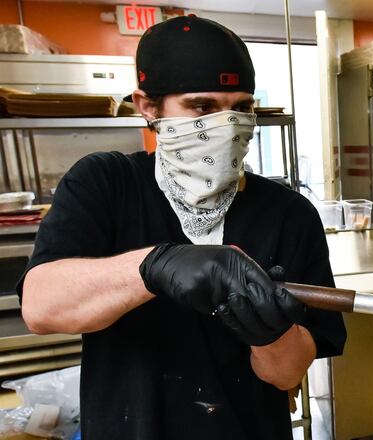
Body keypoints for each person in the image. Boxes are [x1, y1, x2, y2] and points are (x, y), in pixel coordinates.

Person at [17, 16, 345, 440]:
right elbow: (41, 308)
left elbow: (286, 377)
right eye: (202, 107)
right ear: (148, 107)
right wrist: (156, 266)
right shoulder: (106, 183)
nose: (227, 126)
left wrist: (271, 331)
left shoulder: (289, 212)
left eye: (242, 108)